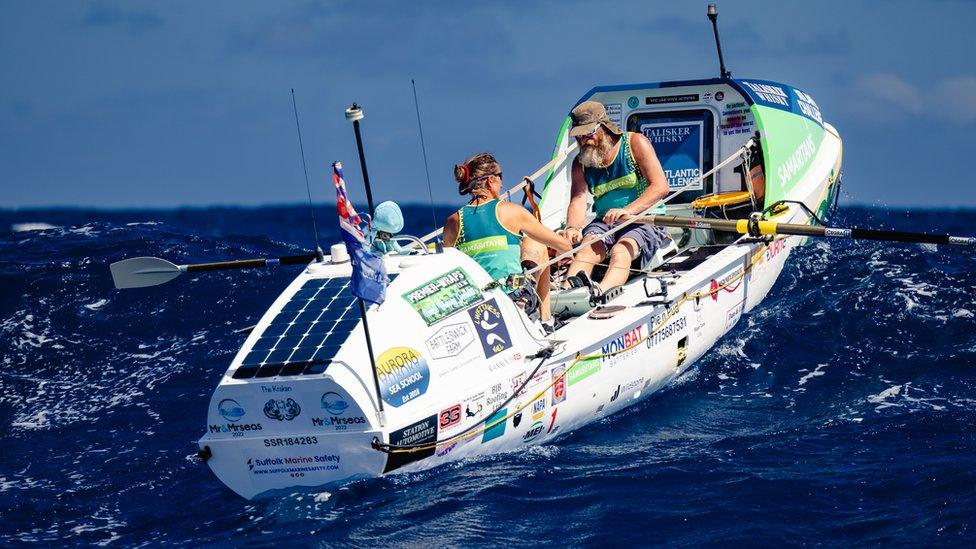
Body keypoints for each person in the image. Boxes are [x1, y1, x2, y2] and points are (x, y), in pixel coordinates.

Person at [443, 152, 571, 324]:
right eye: (500, 176)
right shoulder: (511, 211)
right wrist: (567, 238)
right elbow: (564, 246)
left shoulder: (453, 222)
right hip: (512, 299)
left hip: (479, 307)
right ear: (490, 181)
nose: (502, 182)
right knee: (536, 243)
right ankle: (546, 320)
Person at [564, 101, 673, 292]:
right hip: (605, 221)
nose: (584, 140)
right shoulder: (580, 163)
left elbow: (661, 187)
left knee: (620, 250)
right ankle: (566, 297)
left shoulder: (635, 143)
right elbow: (578, 199)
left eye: (588, 133)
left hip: (642, 218)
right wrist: (572, 227)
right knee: (586, 248)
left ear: (603, 127)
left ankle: (602, 293)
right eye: (579, 136)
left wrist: (626, 211)